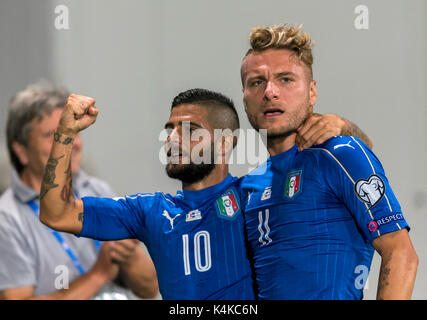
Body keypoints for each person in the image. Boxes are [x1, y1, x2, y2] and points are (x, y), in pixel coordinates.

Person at [38, 86, 373, 299]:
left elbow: (359, 166)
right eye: (169, 130)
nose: (172, 140)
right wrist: (65, 133)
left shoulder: (256, 195)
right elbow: (56, 212)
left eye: (190, 131)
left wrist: (340, 127)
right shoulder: (150, 211)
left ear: (226, 143)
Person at [239, 24, 418, 299]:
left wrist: (346, 127)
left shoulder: (342, 153)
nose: (270, 92)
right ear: (244, 97)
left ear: (312, 93)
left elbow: (402, 255)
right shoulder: (248, 188)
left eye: (285, 79)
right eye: (256, 82)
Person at [0, 82, 159, 300]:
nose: (71, 143)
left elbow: (149, 289)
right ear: (21, 152)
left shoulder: (96, 188)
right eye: (55, 135)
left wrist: (129, 256)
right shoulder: (6, 218)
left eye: (74, 131)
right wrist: (98, 275)